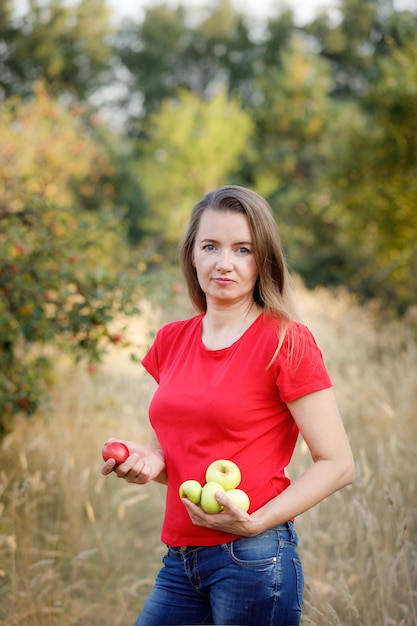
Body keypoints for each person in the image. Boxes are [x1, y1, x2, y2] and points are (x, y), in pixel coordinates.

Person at [101, 185, 355, 626]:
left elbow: (338, 464)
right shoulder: (170, 340)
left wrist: (256, 523)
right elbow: (185, 460)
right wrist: (148, 461)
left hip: (254, 560)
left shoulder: (285, 340)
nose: (224, 263)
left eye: (243, 249)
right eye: (211, 246)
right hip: (181, 559)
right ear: (192, 256)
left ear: (263, 261)